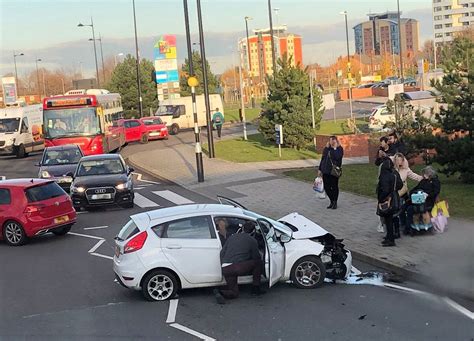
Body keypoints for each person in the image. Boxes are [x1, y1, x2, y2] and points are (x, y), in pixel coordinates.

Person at [213, 221, 264, 304]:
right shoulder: (252, 240)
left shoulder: (232, 237)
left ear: (242, 228)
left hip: (226, 268)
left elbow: (222, 253)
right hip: (237, 268)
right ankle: (256, 288)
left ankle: (219, 292)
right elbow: (256, 256)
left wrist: (223, 265)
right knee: (258, 262)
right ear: (253, 231)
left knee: (234, 293)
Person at [391, 153, 423, 236]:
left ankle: (404, 224)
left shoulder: (406, 169)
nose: (398, 162)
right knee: (396, 209)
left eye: (400, 160)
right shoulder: (392, 169)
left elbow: (414, 176)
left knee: (402, 208)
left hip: (402, 192)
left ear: (402, 161)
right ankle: (399, 224)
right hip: (394, 193)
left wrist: (423, 178)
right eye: (396, 160)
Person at [376, 158, 403, 247]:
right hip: (394, 196)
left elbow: (384, 189)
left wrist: (381, 199)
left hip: (387, 198)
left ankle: (390, 239)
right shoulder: (394, 174)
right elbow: (400, 185)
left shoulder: (384, 175)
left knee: (388, 219)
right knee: (390, 218)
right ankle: (389, 236)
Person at [406, 166, 441, 232]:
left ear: (429, 174)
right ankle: (409, 225)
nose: (424, 175)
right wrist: (412, 193)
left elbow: (436, 192)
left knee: (411, 209)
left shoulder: (435, 181)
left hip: (428, 200)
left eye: (425, 174)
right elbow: (416, 188)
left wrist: (427, 195)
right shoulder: (423, 181)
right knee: (406, 206)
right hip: (418, 199)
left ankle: (409, 228)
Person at [318, 136, 343, 209]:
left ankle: (335, 202)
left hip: (334, 171)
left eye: (333, 141)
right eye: (330, 141)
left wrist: (335, 148)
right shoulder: (327, 149)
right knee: (327, 187)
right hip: (326, 171)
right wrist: (320, 169)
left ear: (336, 141)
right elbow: (323, 159)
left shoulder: (339, 149)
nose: (331, 143)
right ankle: (331, 200)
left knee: (334, 187)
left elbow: (338, 157)